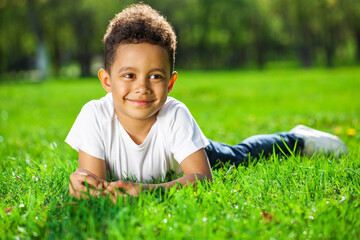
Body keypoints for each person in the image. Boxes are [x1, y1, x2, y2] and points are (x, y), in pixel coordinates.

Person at [66, 4, 348, 201]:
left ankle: (298, 139)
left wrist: (147, 191)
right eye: (129, 75)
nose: (142, 87)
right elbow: (94, 185)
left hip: (194, 155)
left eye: (155, 76)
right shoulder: (95, 115)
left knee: (241, 155)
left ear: (171, 83)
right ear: (106, 80)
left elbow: (201, 179)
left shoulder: (174, 114)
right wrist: (85, 187)